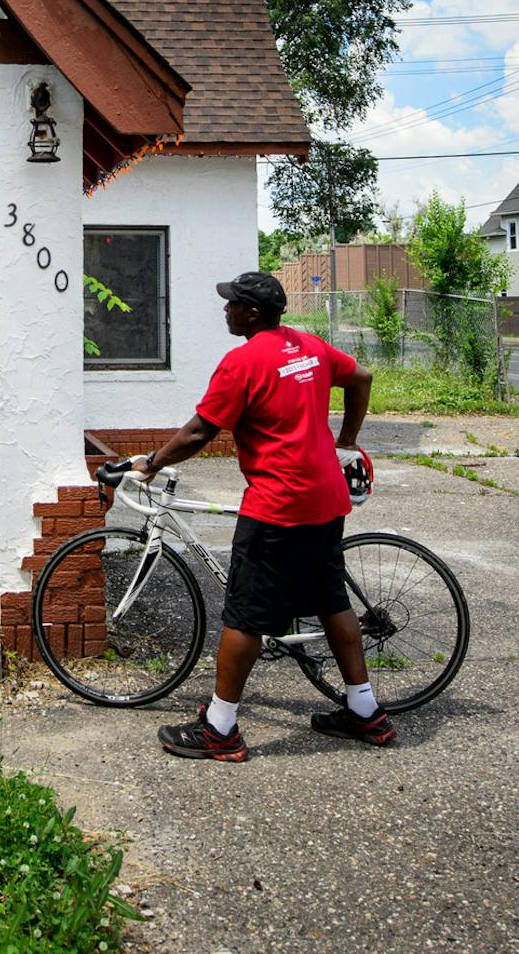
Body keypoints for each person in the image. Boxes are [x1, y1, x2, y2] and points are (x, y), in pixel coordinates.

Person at [127, 271, 390, 761]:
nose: (225, 310)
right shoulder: (308, 346)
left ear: (251, 312)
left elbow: (200, 432)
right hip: (325, 500)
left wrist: (153, 463)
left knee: (245, 617)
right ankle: (364, 711)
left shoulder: (243, 361)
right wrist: (346, 443)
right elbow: (362, 378)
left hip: (279, 507)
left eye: (231, 305)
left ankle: (220, 728)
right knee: (332, 601)